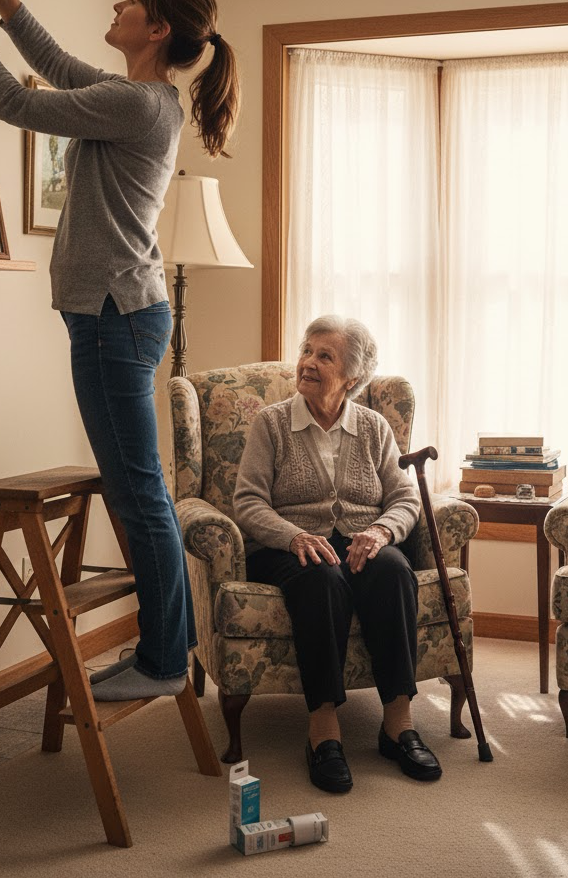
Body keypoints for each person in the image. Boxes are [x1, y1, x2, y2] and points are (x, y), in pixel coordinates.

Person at [0, 0, 240, 702]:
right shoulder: (137, 95)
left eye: (129, 1)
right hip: (118, 315)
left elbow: (18, 102)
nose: (116, 7)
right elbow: (55, 61)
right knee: (138, 488)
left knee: (139, 493)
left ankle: (164, 660)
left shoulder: (136, 103)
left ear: (158, 30)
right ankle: (166, 654)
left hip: (114, 318)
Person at [233, 315, 443, 793]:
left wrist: (382, 533)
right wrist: (292, 536)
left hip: (360, 537)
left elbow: (404, 498)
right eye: (307, 350)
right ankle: (323, 731)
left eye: (324, 356)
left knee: (393, 570)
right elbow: (247, 501)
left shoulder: (373, 427)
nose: (307, 362)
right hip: (287, 543)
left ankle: (399, 724)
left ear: (352, 376)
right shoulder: (271, 424)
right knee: (320, 578)